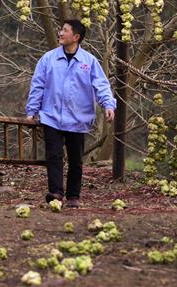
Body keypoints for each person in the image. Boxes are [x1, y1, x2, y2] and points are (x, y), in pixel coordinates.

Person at [25, 19, 116, 209]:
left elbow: (101, 85)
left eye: (65, 30)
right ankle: (56, 192)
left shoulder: (89, 61)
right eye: (60, 29)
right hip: (52, 116)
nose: (60, 33)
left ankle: (73, 195)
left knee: (76, 160)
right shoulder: (48, 59)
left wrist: (108, 104)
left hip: (78, 118)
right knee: (54, 156)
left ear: (76, 37)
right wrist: (32, 110)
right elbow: (37, 85)